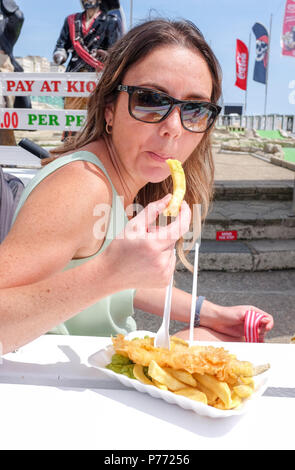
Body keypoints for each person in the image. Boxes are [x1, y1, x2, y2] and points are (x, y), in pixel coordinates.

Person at [0, 19, 273, 355]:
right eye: (149, 99)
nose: (174, 128)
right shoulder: (82, 185)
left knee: (220, 339)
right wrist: (109, 273)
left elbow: (121, 287)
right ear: (109, 109)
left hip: (96, 371)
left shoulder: (129, 181)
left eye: (195, 108)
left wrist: (210, 313)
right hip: (59, 391)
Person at [53, 0, 124, 141]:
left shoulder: (111, 21)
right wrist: (60, 55)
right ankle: (68, 144)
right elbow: (61, 45)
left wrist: (106, 55)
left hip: (97, 75)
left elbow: (115, 50)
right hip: (75, 74)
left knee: (94, 113)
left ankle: (91, 144)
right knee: (70, 114)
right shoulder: (72, 20)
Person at [0, 0, 31, 145]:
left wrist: (6, 48)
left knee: (2, 110)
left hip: (2, 61)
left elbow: (18, 16)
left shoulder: (9, 13)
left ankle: (7, 156)